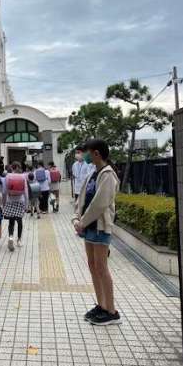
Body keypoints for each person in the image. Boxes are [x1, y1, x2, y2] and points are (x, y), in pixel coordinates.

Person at [72, 139, 121, 326]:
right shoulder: (93, 173)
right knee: (92, 265)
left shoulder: (108, 175)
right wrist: (76, 218)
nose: (84, 155)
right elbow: (82, 199)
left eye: (87, 152)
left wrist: (82, 222)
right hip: (89, 227)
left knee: (101, 267)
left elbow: (100, 203)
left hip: (100, 227)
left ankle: (111, 311)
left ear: (96, 153)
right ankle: (101, 305)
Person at [3, 161, 28, 251]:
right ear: (17, 167)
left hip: (10, 201)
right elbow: (25, 192)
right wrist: (26, 205)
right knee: (19, 221)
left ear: (12, 168)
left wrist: (4, 203)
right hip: (20, 201)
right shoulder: (23, 177)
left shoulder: (8, 176)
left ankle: (10, 237)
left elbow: (4, 191)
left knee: (11, 222)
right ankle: (19, 240)